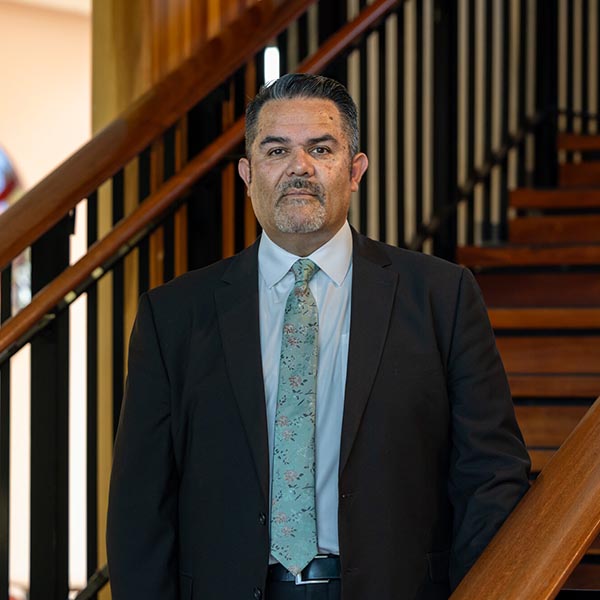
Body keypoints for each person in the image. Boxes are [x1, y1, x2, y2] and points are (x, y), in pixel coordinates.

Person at [106, 73, 530, 600]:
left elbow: (490, 473)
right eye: (276, 150)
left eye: (321, 149)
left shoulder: (442, 296)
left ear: (355, 171)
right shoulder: (172, 315)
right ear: (247, 175)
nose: (299, 167)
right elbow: (140, 503)